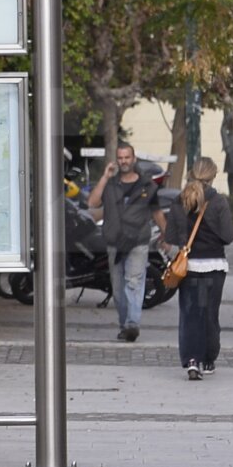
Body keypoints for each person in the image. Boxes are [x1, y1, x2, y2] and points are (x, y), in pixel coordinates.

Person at [164, 157, 233, 380]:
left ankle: (191, 360)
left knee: (189, 313)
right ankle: (208, 358)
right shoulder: (218, 201)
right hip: (214, 266)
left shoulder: (179, 200)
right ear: (213, 175)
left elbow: (171, 236)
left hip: (189, 267)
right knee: (210, 314)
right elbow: (228, 236)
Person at [87, 141, 166, 342]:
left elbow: (156, 212)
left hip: (138, 241)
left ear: (134, 159)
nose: (123, 161)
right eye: (120, 158)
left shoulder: (147, 186)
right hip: (114, 242)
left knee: (134, 282)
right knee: (118, 288)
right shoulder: (111, 184)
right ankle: (125, 325)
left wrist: (167, 235)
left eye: (127, 157)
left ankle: (132, 324)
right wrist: (105, 176)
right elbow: (92, 203)